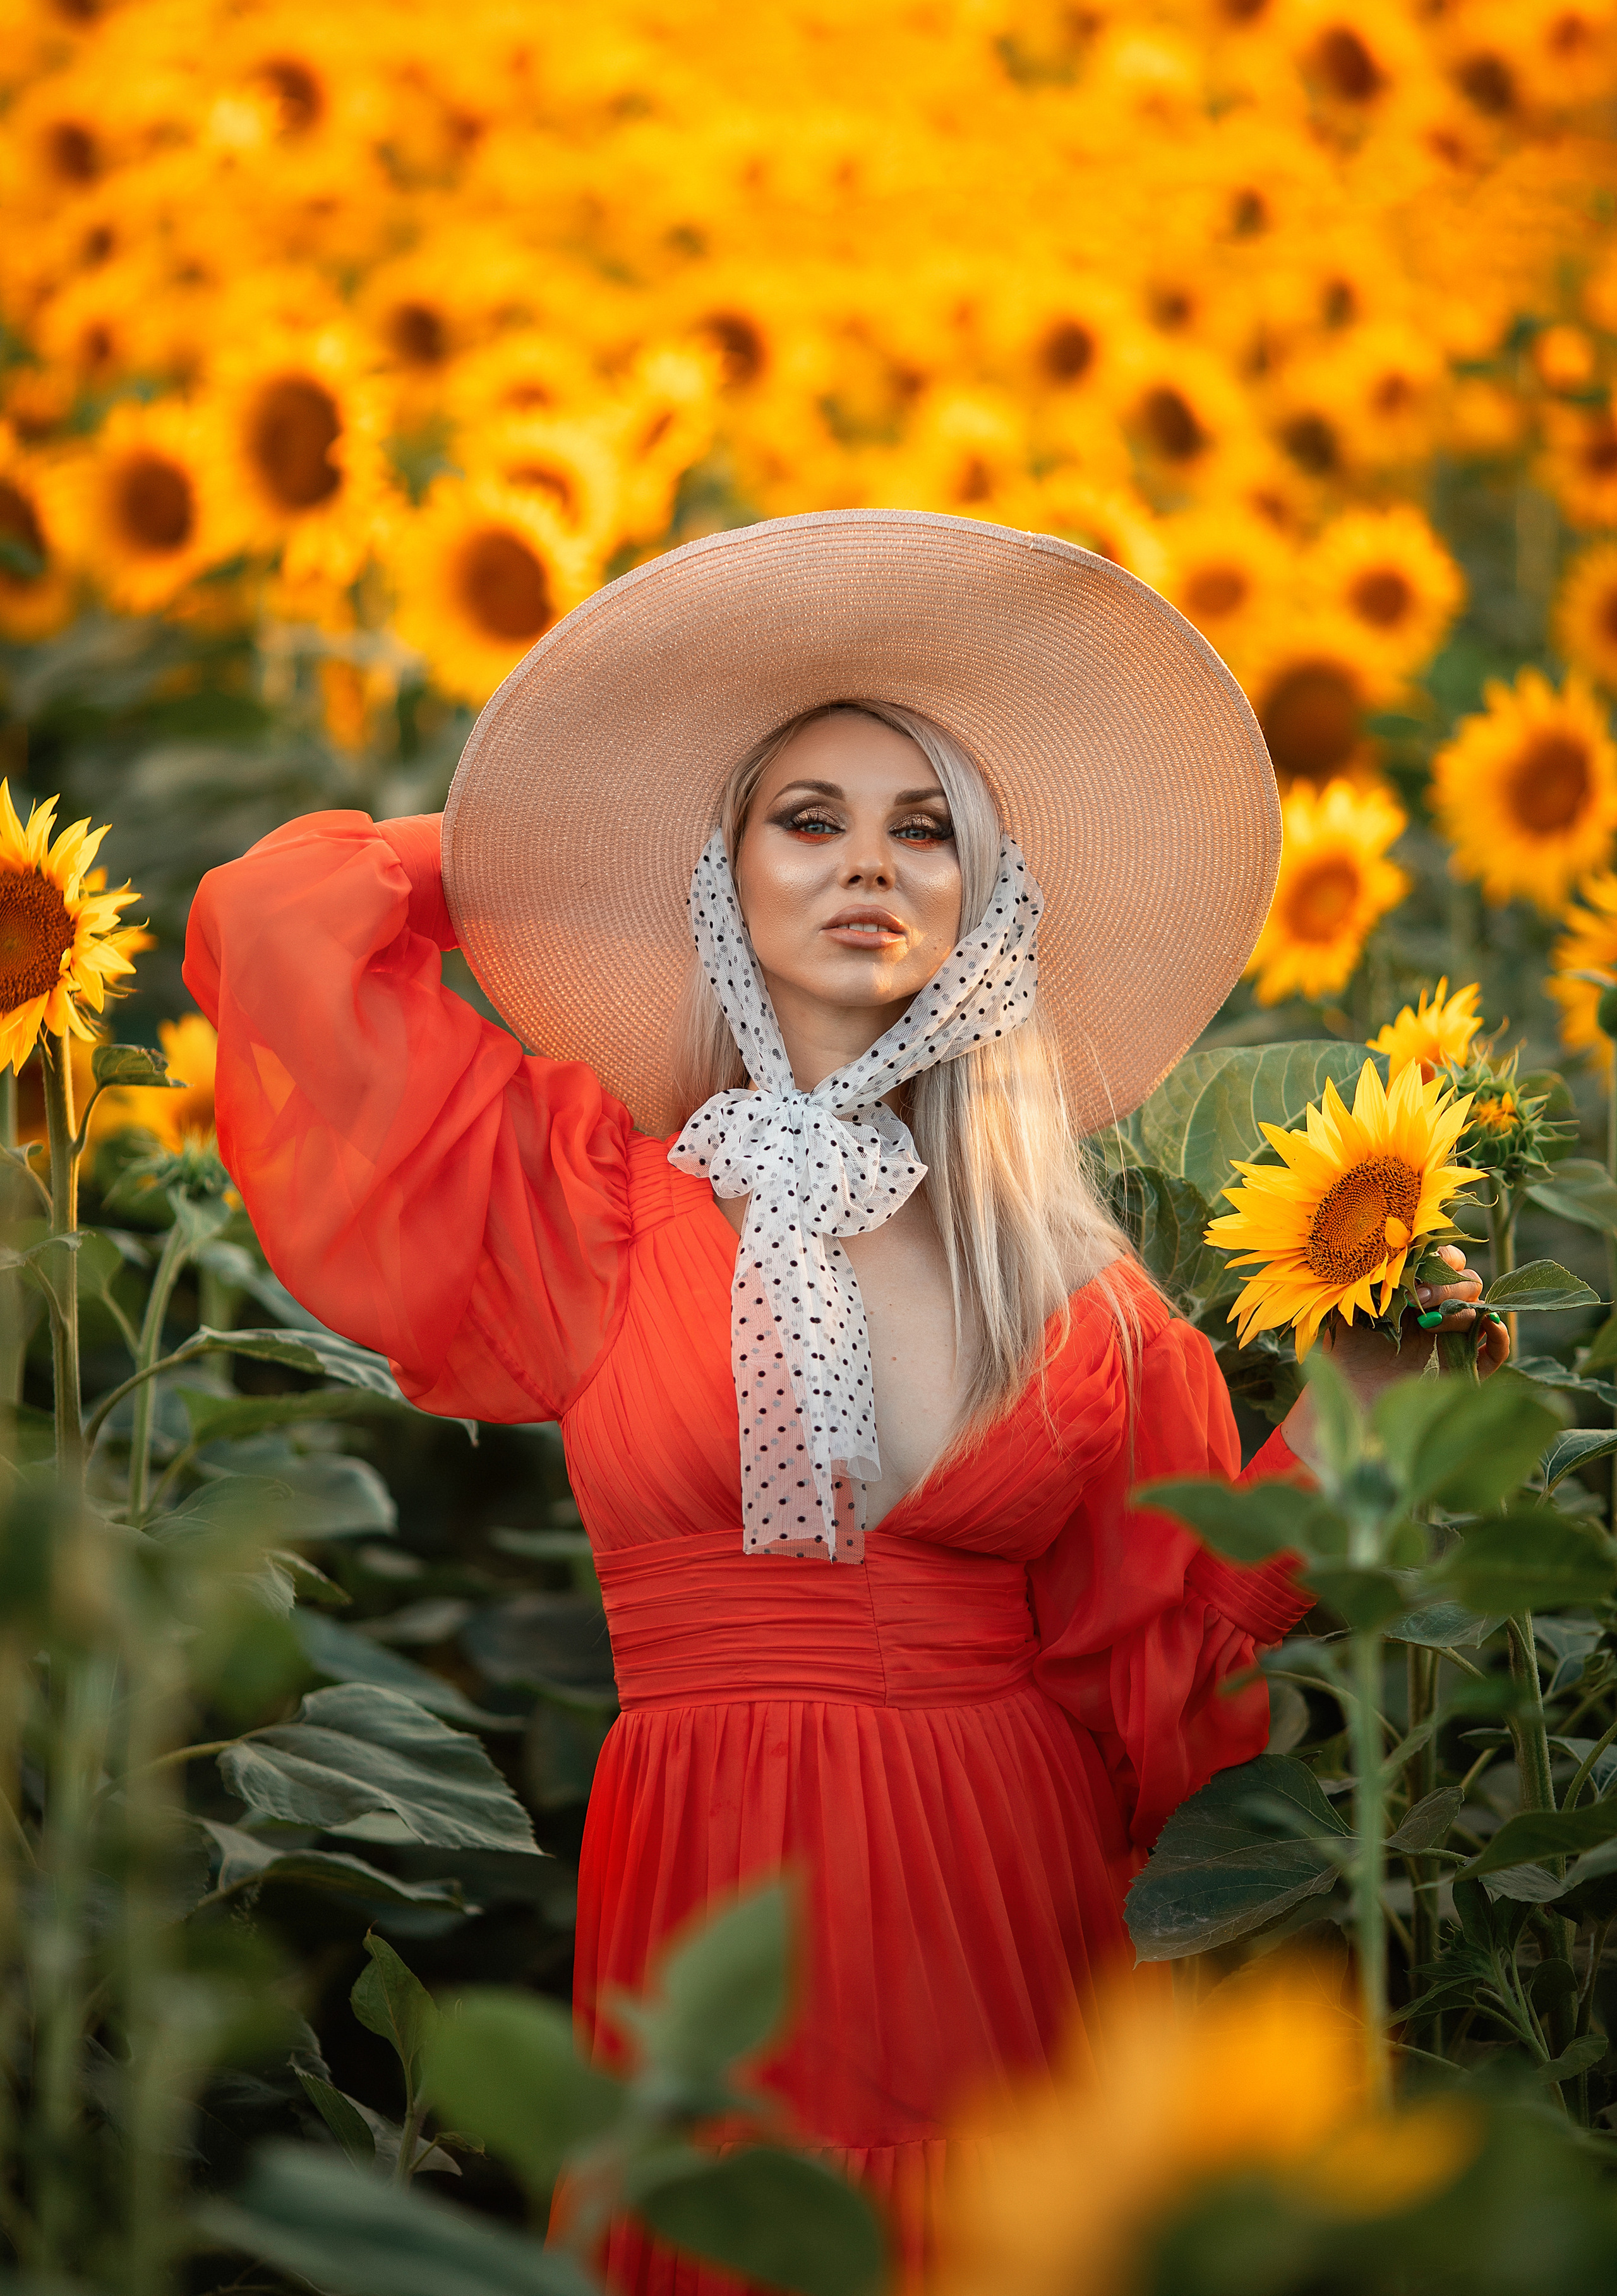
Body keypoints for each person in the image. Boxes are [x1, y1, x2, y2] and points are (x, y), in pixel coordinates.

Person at [184, 511, 1501, 2293]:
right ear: (719, 873)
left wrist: (1369, 1406)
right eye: (806, 821)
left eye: (926, 828)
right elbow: (274, 921)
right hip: (711, 1899)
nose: (869, 865)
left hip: (1006, 1912)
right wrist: (531, 856)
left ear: (989, 899)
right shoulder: (588, 1205)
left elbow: (1180, 1644)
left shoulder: (1071, 1284)